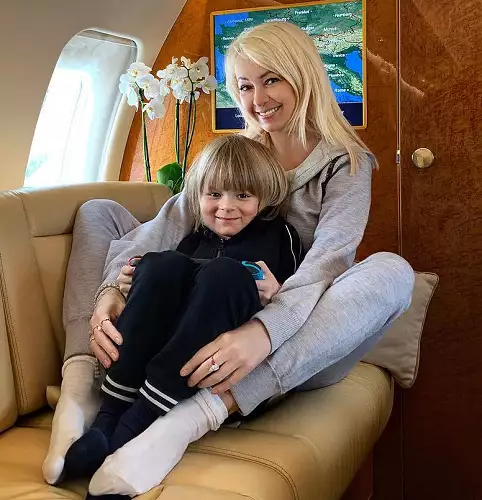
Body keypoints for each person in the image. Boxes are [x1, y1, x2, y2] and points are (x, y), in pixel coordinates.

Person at [43, 22, 415, 498]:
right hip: (204, 314)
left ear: (302, 76)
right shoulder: (237, 155)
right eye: (244, 86)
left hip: (292, 343)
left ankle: (199, 413)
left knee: (393, 272)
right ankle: (79, 384)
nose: (258, 98)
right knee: (98, 213)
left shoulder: (347, 163)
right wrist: (111, 291)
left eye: (271, 80)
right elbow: (164, 228)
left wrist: (262, 332)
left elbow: (328, 264)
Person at [60, 134, 303, 489]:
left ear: (263, 197)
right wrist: (135, 278)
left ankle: (130, 427)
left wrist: (276, 292)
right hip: (166, 344)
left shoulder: (281, 236)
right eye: (214, 195)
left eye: (243, 196)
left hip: (222, 358)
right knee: (162, 265)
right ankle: (107, 419)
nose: (226, 207)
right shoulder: (193, 238)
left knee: (223, 273)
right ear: (198, 196)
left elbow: (296, 300)